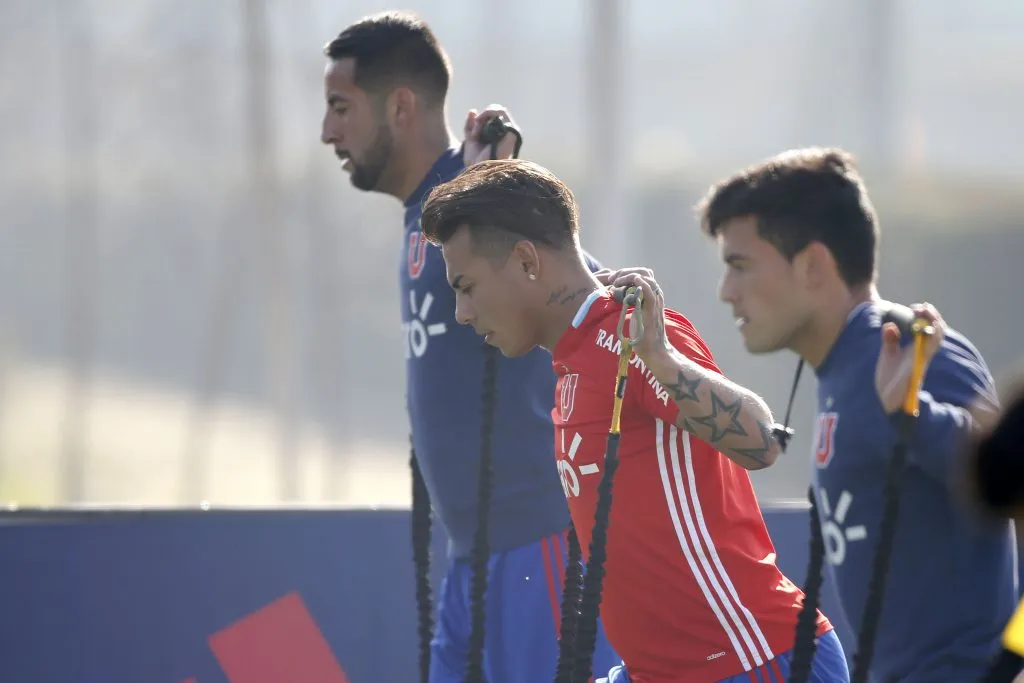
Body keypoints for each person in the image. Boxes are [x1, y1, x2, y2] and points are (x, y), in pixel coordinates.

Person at [420, 158, 849, 683]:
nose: (462, 312)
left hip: (757, 663)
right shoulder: (571, 357)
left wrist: (661, 358)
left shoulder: (633, 337)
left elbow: (762, 442)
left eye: (466, 286)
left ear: (528, 261)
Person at [319, 11, 618, 683]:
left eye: (341, 107)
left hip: (538, 545)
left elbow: (593, 297)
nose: (327, 131)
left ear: (400, 106)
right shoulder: (429, 211)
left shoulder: (481, 195)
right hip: (472, 560)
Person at [687, 146, 1015, 682]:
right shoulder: (846, 365)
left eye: (740, 266)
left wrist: (916, 415)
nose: (727, 292)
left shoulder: (904, 349)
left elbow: (1003, 479)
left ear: (813, 264)